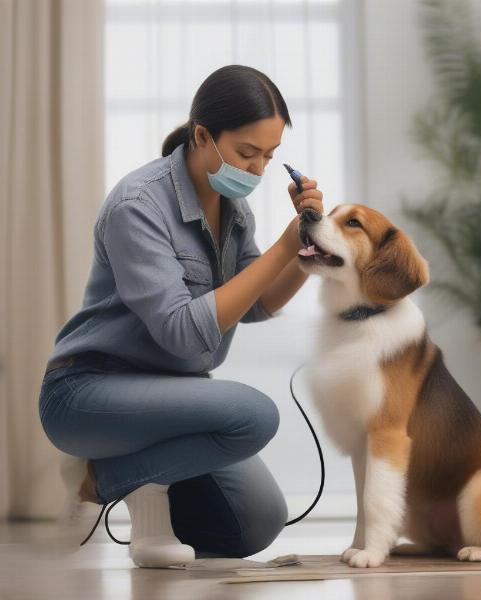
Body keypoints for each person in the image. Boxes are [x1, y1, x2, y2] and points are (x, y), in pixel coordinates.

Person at [37, 64, 324, 567]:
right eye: (246, 153)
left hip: (169, 400)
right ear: (202, 135)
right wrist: (282, 246)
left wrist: (306, 248)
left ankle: (152, 491)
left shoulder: (234, 210)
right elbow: (182, 333)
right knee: (255, 414)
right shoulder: (139, 204)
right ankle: (98, 480)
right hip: (87, 393)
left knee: (255, 522)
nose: (258, 171)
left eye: (270, 157)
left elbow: (255, 303)